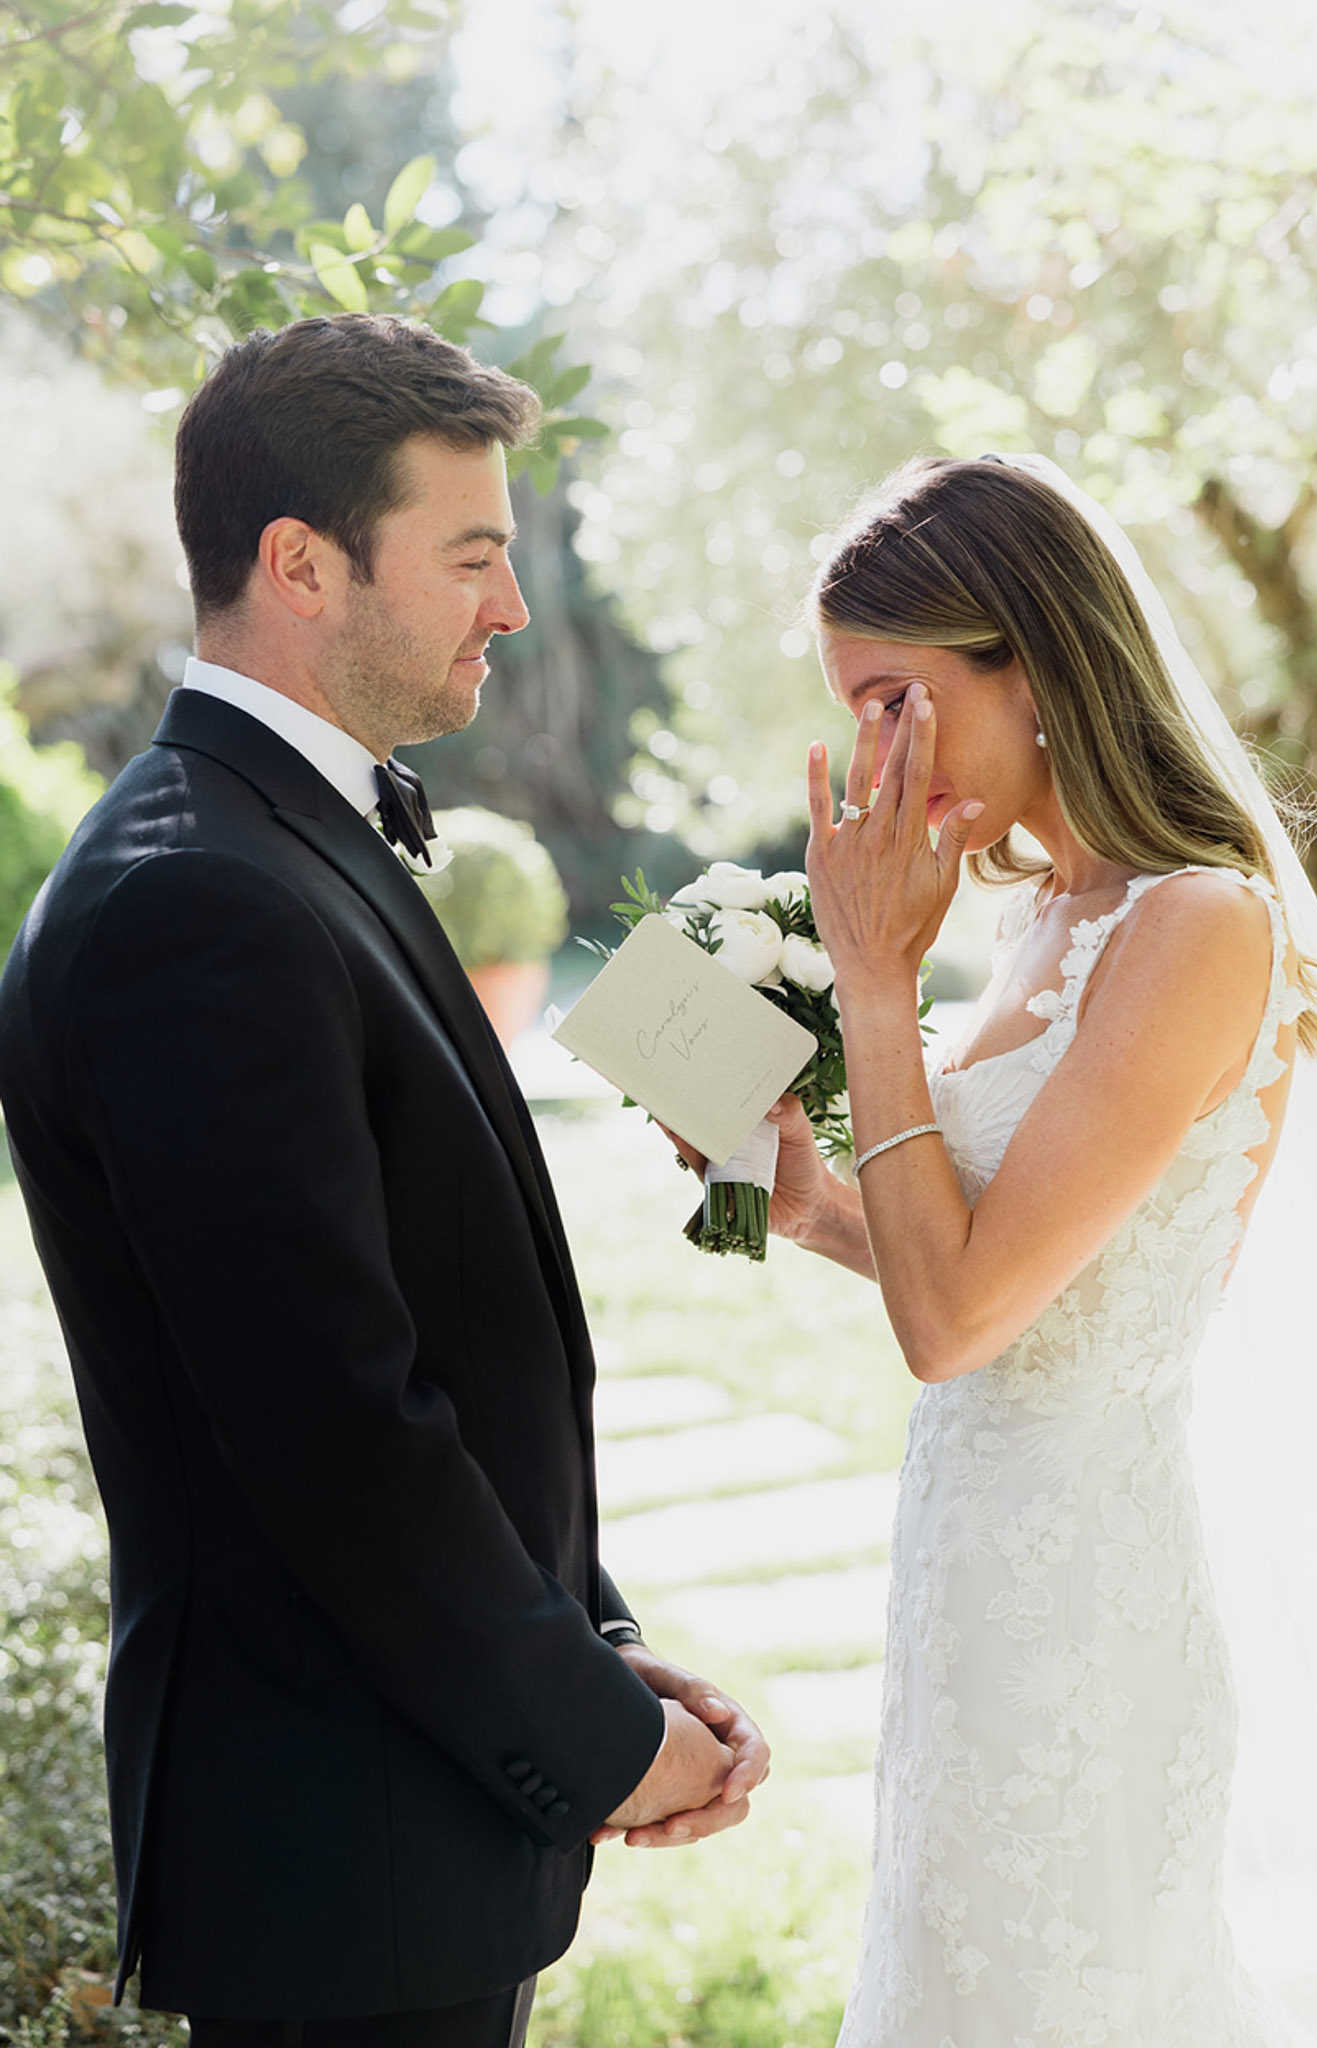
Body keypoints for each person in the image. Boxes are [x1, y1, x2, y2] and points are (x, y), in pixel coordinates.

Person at [0, 313, 769, 2048]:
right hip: (337, 1846)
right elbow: (337, 1430)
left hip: (402, 1823)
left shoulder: (281, 841)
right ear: (300, 564)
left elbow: (432, 1340)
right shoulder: (192, 899)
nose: (508, 604)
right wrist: (595, 1742)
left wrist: (596, 1652)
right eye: (472, 556)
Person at [670, 454, 1317, 2045]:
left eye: (896, 697)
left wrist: (873, 989)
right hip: (966, 1559)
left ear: (1033, 664)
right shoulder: (1036, 918)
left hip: (1087, 1599)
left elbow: (956, 1319)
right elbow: (983, 1277)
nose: (872, 756)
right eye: (852, 708)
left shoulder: (1197, 926)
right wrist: (806, 1200)